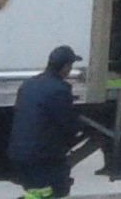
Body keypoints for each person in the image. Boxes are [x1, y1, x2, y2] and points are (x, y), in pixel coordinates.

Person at [9, 45, 85, 199]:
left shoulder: (28, 84)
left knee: (35, 191)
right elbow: (68, 124)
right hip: (43, 156)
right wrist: (82, 124)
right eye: (70, 66)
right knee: (58, 189)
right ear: (64, 67)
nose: (70, 70)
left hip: (18, 152)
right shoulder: (60, 89)